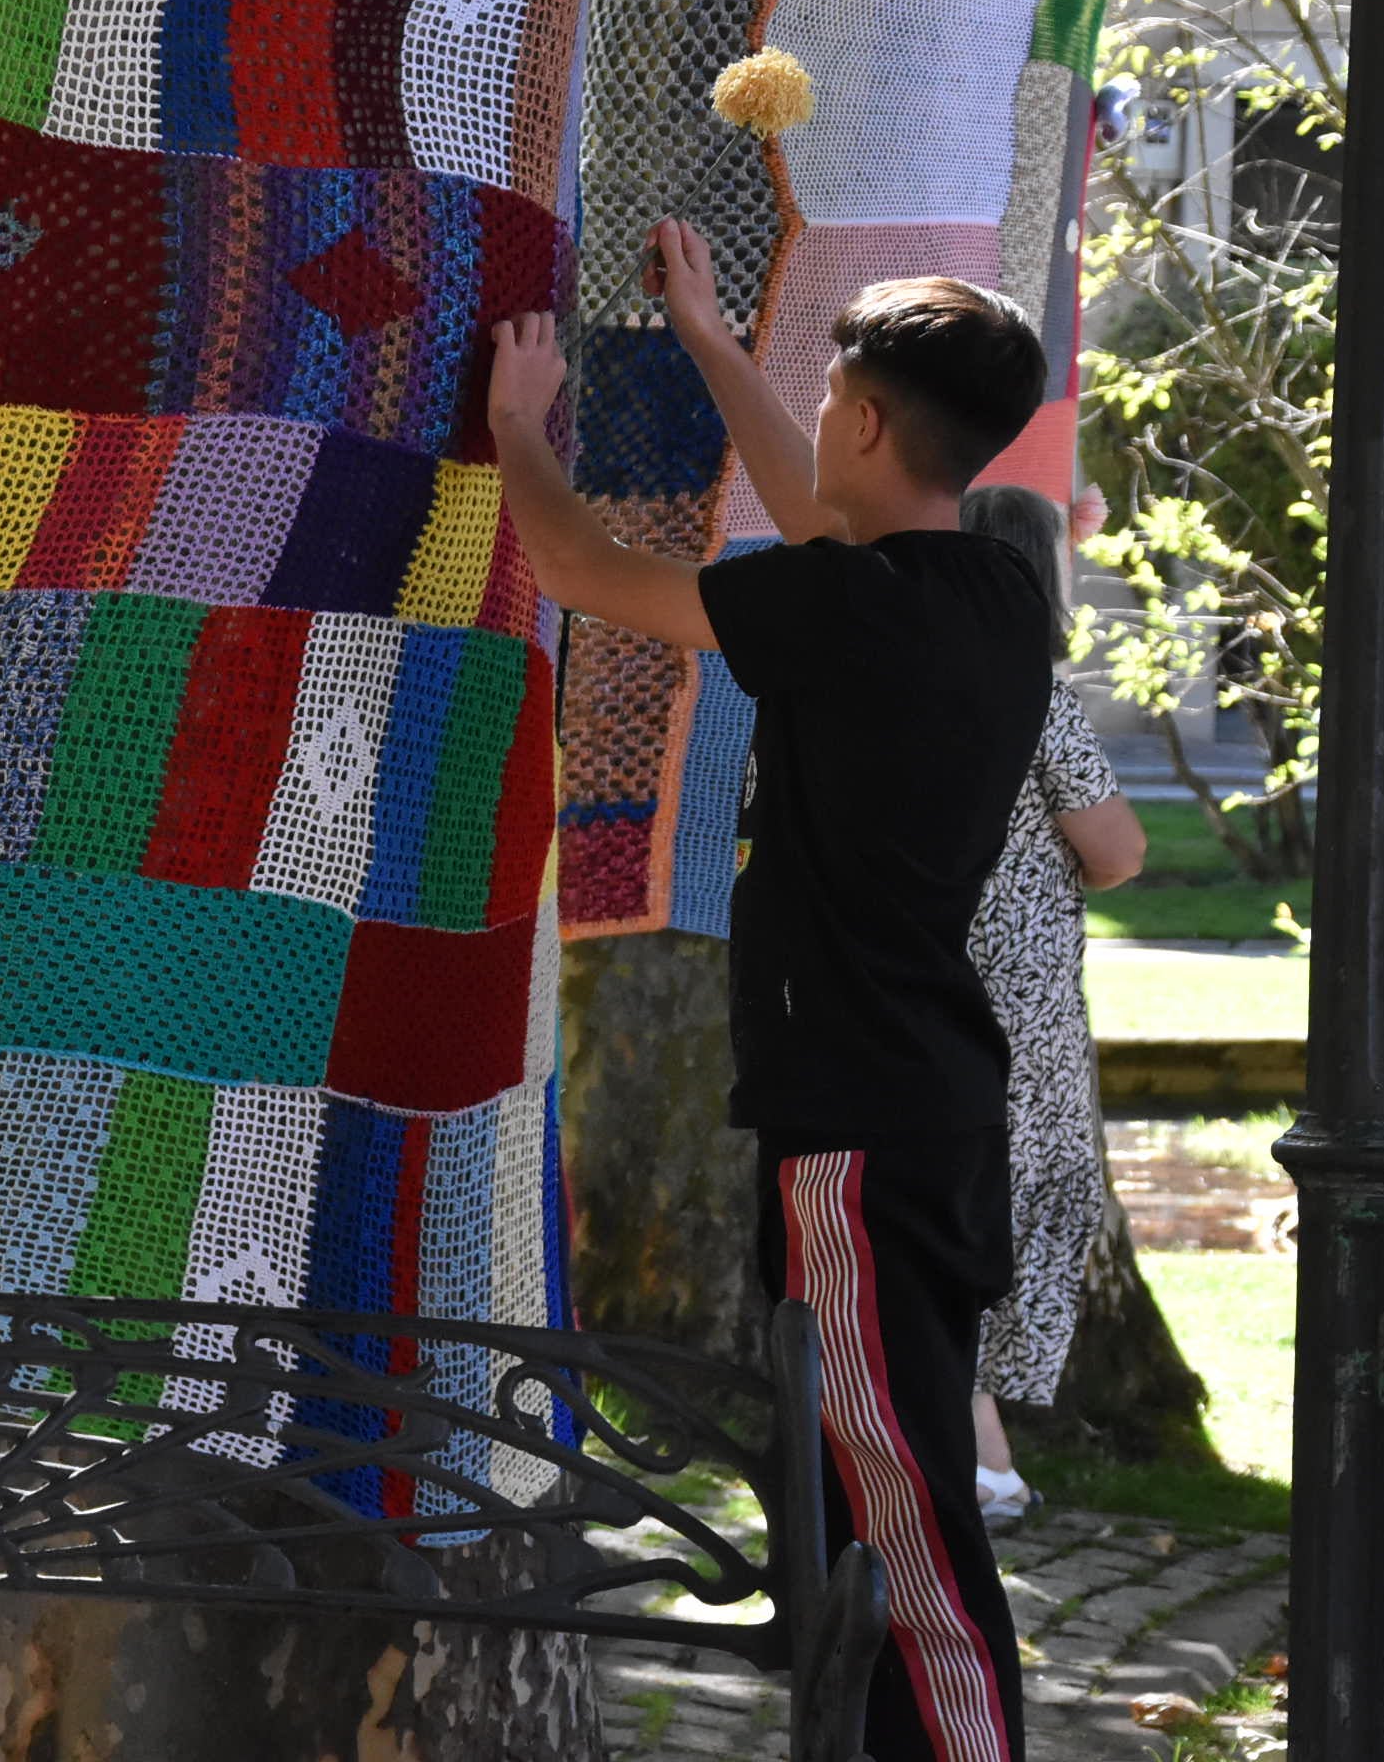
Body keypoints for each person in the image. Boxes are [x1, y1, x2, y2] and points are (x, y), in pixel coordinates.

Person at [484, 221, 1053, 1762]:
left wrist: (521, 432)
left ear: (860, 419)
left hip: (861, 1127)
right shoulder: (993, 594)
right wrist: (712, 342)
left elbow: (578, 570)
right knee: (873, 1499)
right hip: (925, 1108)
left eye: (829, 397)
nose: (819, 422)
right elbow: (826, 515)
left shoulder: (844, 610)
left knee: (902, 1518)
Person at [955, 484, 1145, 1528]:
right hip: (1015, 1007)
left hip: (917, 990)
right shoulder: (1031, 695)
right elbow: (1117, 852)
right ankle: (973, 1454)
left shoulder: (907, 680)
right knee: (1009, 1219)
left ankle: (975, 1449)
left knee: (948, 1216)